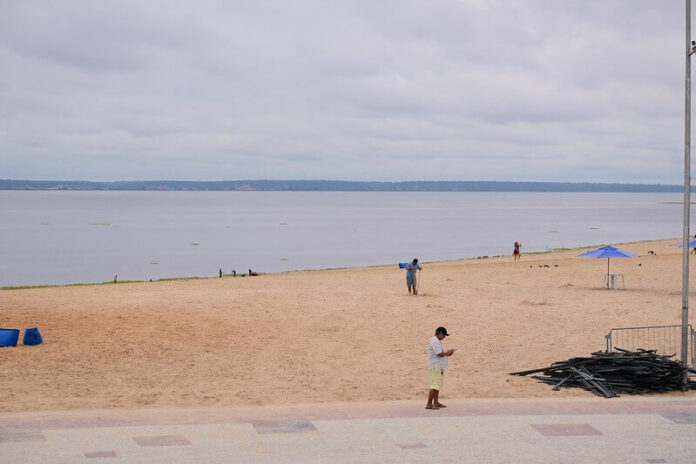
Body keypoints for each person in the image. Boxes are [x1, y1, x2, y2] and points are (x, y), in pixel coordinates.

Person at [426, 326, 455, 410]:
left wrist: (448, 353)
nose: (444, 337)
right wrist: (448, 352)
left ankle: (436, 402)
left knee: (437, 385)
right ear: (440, 333)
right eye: (444, 335)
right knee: (434, 385)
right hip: (436, 366)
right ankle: (429, 404)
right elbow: (439, 354)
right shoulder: (435, 341)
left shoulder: (436, 341)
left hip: (438, 366)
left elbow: (441, 354)